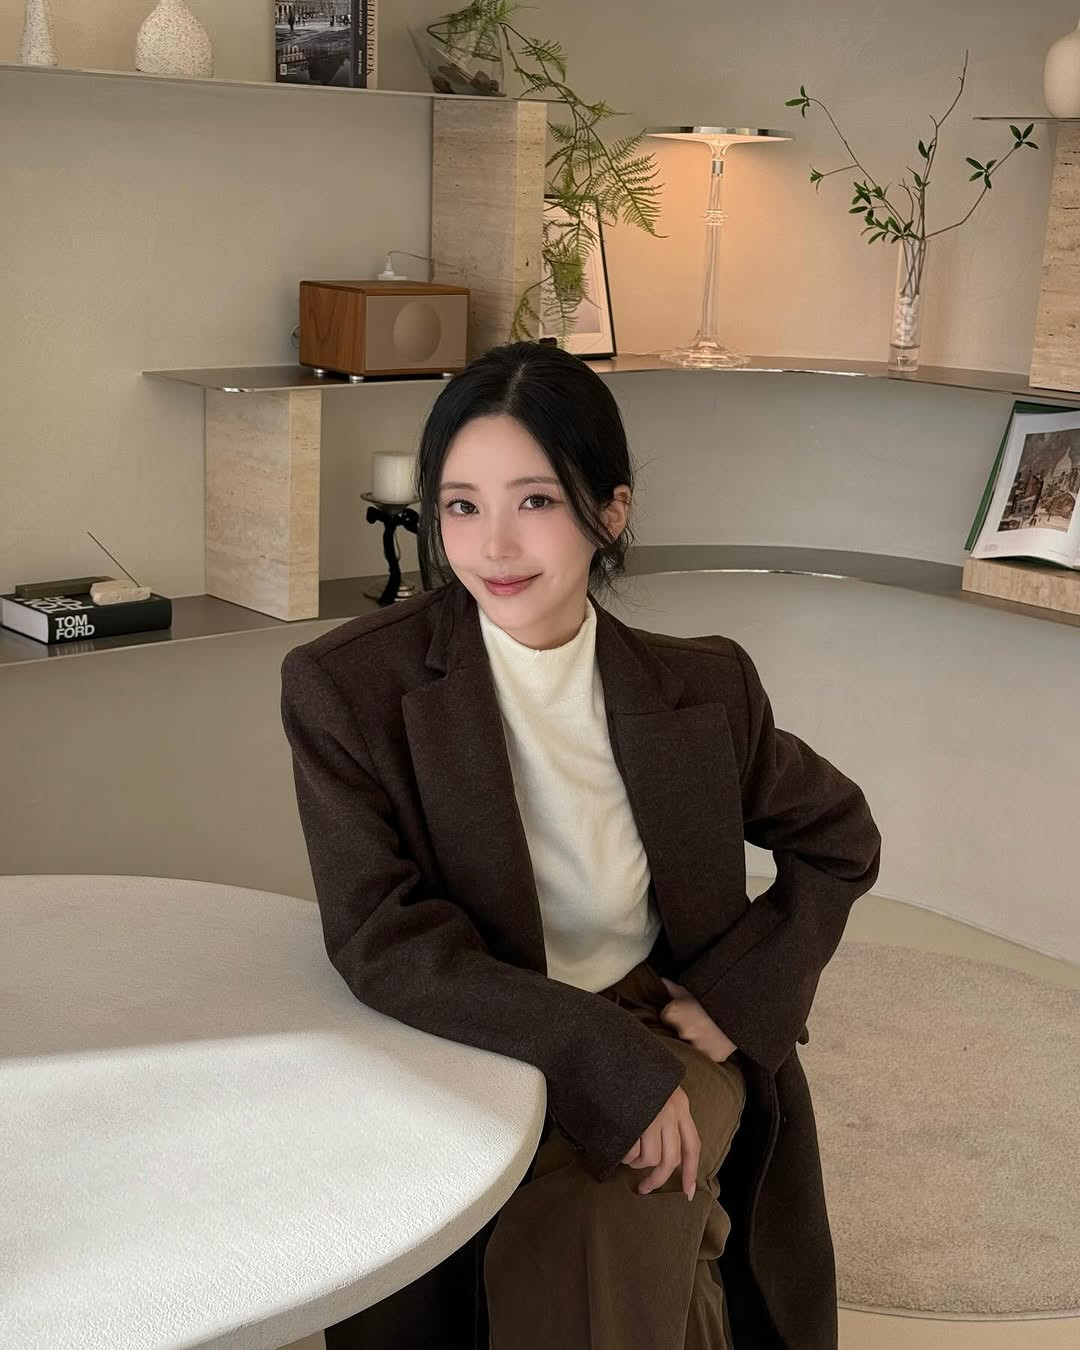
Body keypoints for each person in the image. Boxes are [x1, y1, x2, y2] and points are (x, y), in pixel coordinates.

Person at [280, 340, 882, 1350]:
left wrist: (738, 999)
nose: (493, 545)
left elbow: (839, 837)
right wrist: (593, 1058)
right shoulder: (348, 688)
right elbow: (381, 937)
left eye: (536, 501)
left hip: (660, 1014)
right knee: (653, 1253)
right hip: (472, 1025)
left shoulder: (703, 688)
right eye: (461, 505)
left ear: (611, 511)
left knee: (602, 1225)